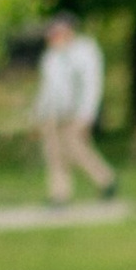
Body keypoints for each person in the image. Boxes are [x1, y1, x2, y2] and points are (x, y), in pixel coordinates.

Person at [33, 11, 116, 202]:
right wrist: (39, 113)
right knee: (55, 155)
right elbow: (46, 88)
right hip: (53, 114)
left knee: (77, 150)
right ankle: (59, 194)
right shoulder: (51, 57)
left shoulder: (85, 52)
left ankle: (106, 179)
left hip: (75, 114)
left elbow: (91, 86)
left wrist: (87, 115)